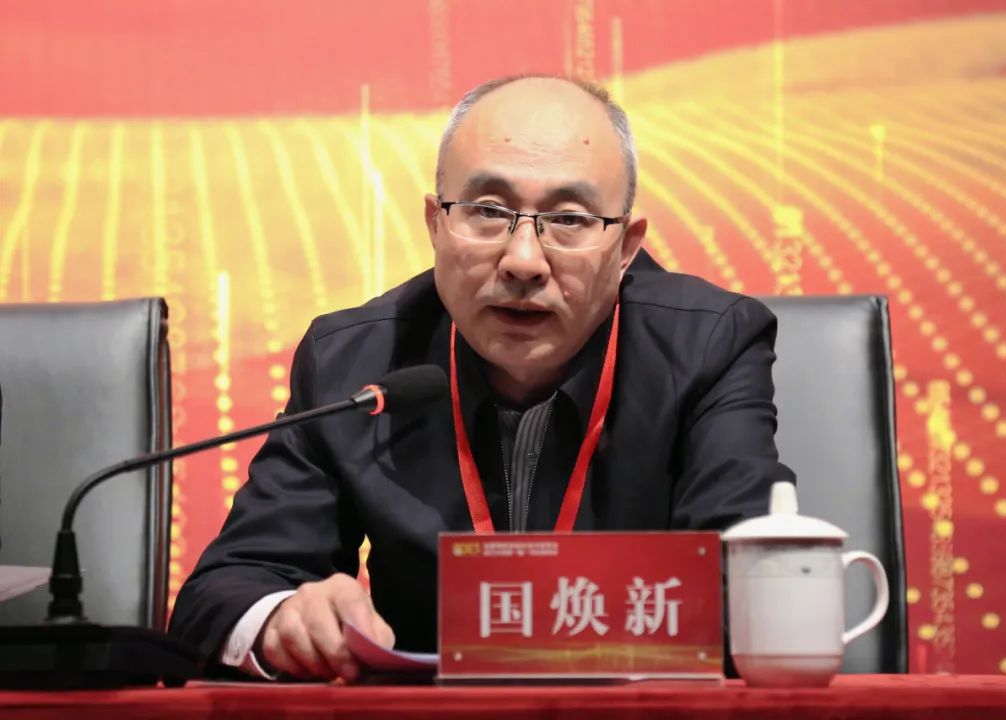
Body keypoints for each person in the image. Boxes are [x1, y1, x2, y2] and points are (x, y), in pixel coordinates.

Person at [169, 74, 795, 681]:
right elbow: (224, 593)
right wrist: (284, 619)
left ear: (626, 247)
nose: (523, 261)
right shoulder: (354, 362)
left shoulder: (707, 346)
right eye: (488, 211)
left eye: (569, 219)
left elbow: (755, 584)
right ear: (436, 224)